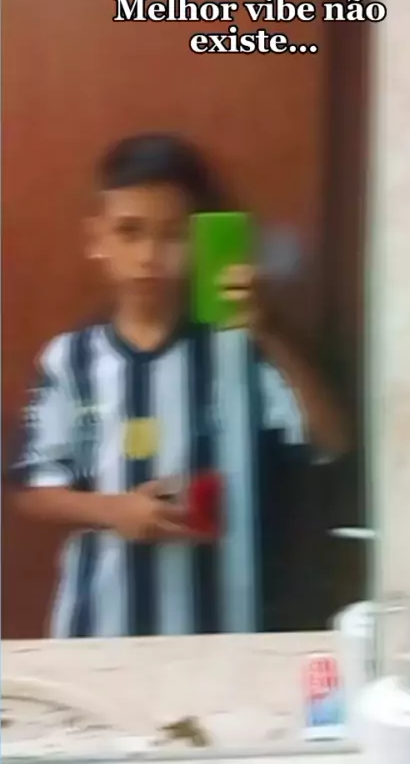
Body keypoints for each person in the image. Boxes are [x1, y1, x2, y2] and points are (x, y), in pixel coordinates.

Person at [11, 133, 349, 638]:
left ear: (198, 243)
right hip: (98, 628)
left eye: (172, 235)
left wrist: (268, 330)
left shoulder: (240, 348)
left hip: (222, 630)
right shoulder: (70, 358)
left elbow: (330, 441)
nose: (149, 255)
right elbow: (30, 488)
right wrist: (114, 510)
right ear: (97, 240)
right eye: (129, 231)